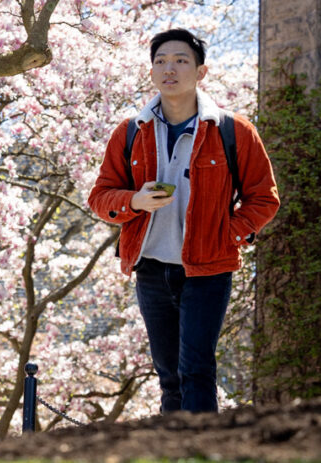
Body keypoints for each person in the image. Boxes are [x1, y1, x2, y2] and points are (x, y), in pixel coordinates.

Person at [87, 28, 279, 413]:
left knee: (196, 369)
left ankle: (201, 451)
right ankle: (170, 450)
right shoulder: (130, 132)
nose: (168, 69)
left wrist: (228, 234)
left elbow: (264, 199)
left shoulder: (233, 131)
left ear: (201, 72)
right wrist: (135, 201)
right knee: (169, 374)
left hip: (208, 269)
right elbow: (100, 197)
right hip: (152, 270)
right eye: (160, 62)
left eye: (180, 61)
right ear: (152, 71)